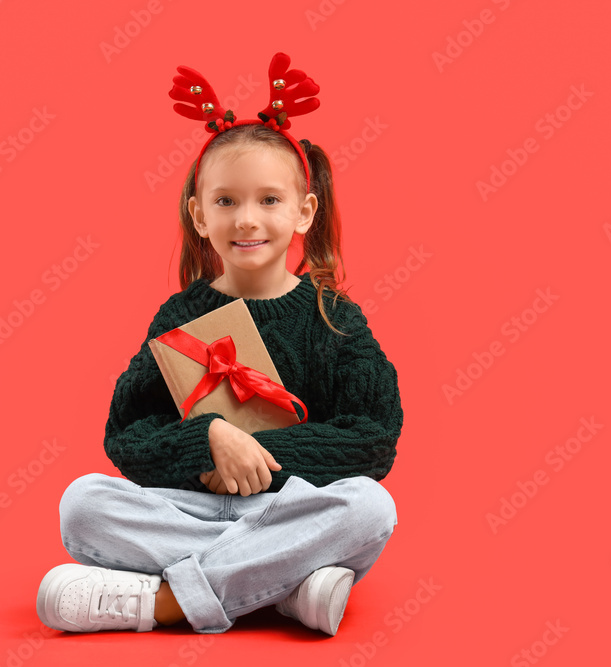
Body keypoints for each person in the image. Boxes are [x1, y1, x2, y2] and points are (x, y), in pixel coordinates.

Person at [36, 52, 402, 637]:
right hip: (192, 507)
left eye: (269, 200)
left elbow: (374, 437)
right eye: (226, 201)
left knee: (368, 507)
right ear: (199, 215)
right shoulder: (179, 317)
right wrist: (206, 442)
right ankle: (284, 586)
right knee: (83, 504)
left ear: (305, 212)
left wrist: (258, 459)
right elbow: (126, 435)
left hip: (287, 508)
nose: (246, 219)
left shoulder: (335, 319)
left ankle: (164, 604)